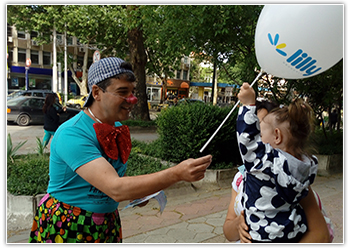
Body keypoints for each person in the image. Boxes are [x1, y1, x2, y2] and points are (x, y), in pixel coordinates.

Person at [29, 57, 212, 243]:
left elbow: (113, 178)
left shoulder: (116, 128)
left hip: (107, 223)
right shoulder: (72, 133)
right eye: (122, 92)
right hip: (67, 225)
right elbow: (115, 188)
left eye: (132, 91)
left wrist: (139, 192)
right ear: (96, 92)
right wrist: (177, 173)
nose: (132, 99)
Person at [226, 82, 326, 243]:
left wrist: (248, 104)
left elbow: (247, 141)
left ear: (277, 136)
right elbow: (228, 230)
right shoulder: (303, 171)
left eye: (258, 130)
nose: (256, 137)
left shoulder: (263, 164)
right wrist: (238, 224)